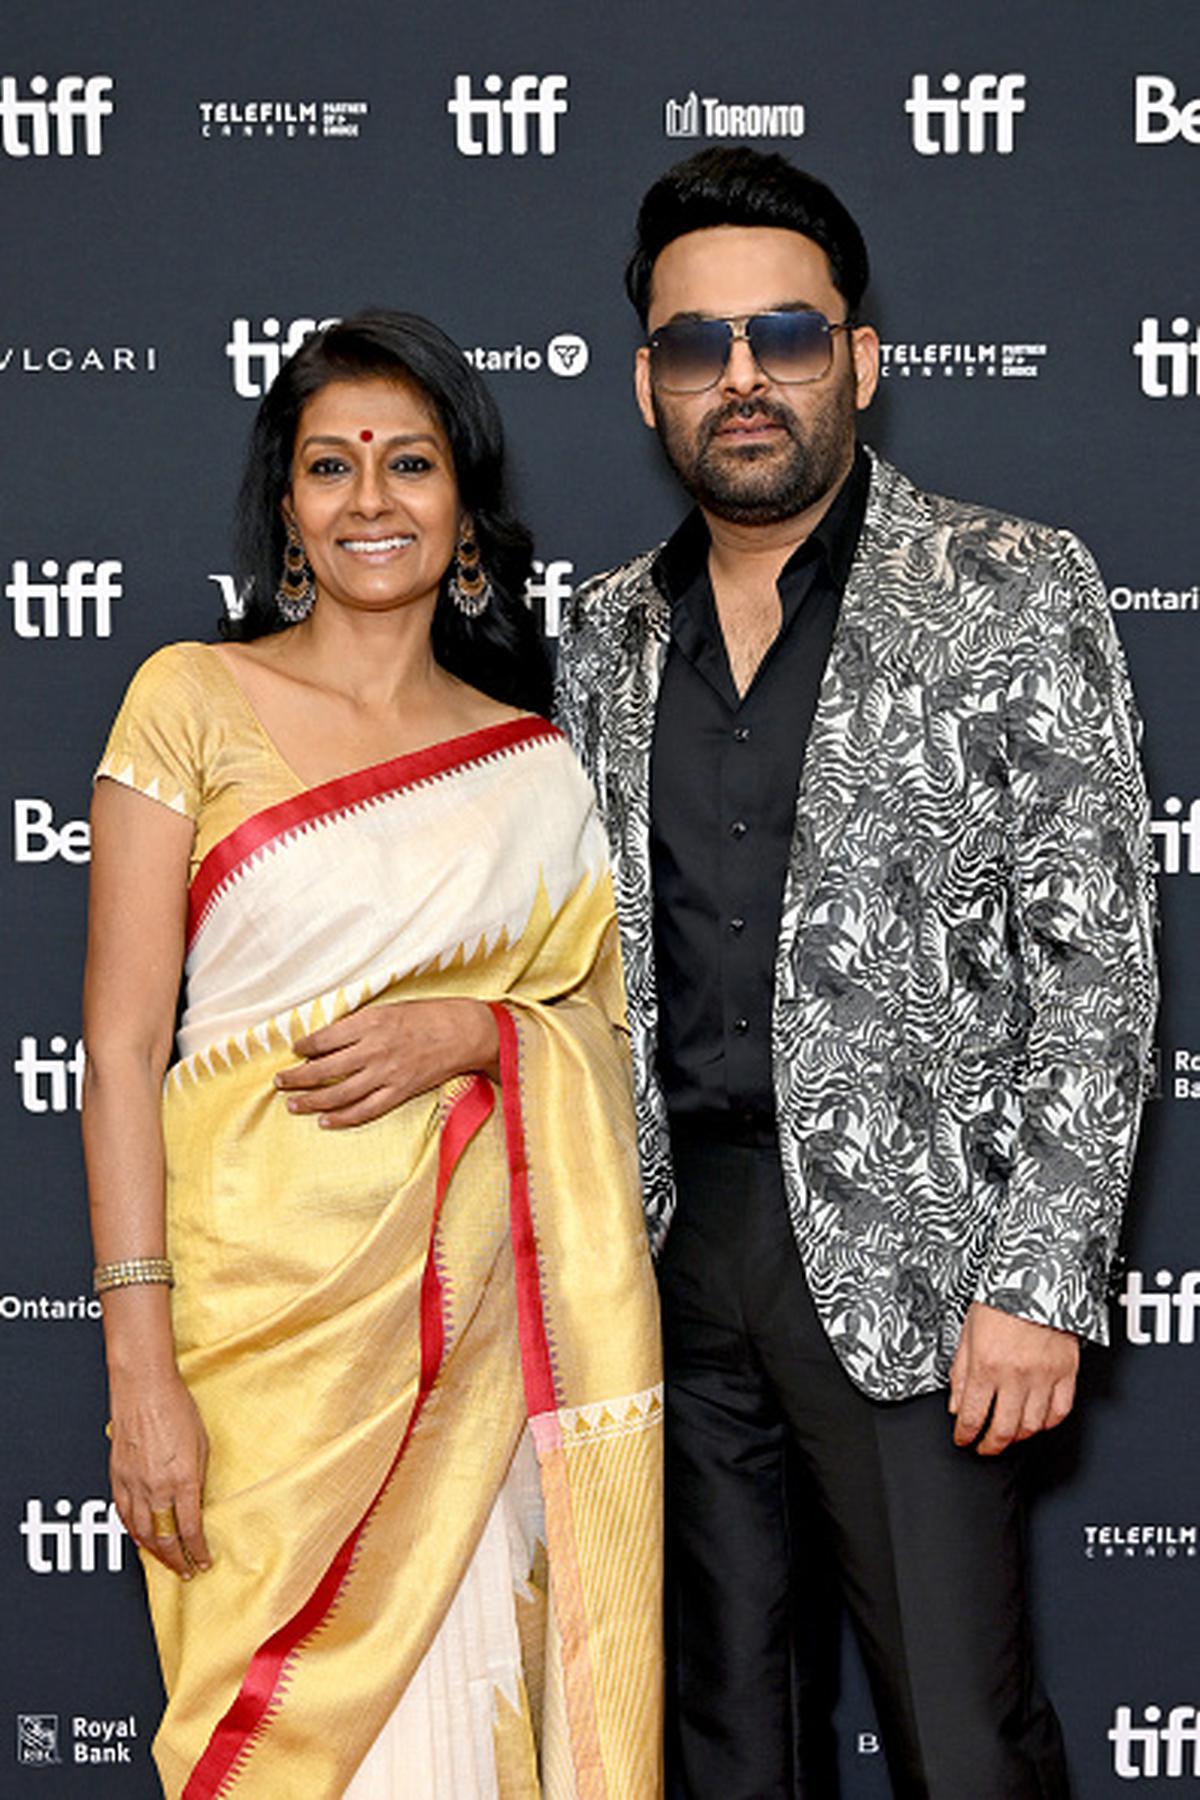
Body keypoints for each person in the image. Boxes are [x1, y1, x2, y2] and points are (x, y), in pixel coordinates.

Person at [556, 148, 1158, 1799]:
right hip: (666, 1264)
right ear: (647, 386)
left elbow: (1094, 965)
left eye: (783, 335)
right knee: (727, 1745)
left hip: (920, 1265)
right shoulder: (599, 637)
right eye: (697, 345)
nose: (740, 378)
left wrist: (1039, 1276)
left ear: (860, 359)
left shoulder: (1011, 588)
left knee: (965, 1743)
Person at [83, 309, 662, 1799]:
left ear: (463, 506)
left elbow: (599, 1038)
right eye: (331, 467)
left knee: (464, 1730)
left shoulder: (533, 766)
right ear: (287, 503)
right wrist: (139, 1365)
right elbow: (123, 1042)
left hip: (473, 1353)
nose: (370, 501)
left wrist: (478, 1032)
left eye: (409, 465)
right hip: (254, 1359)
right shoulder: (189, 701)